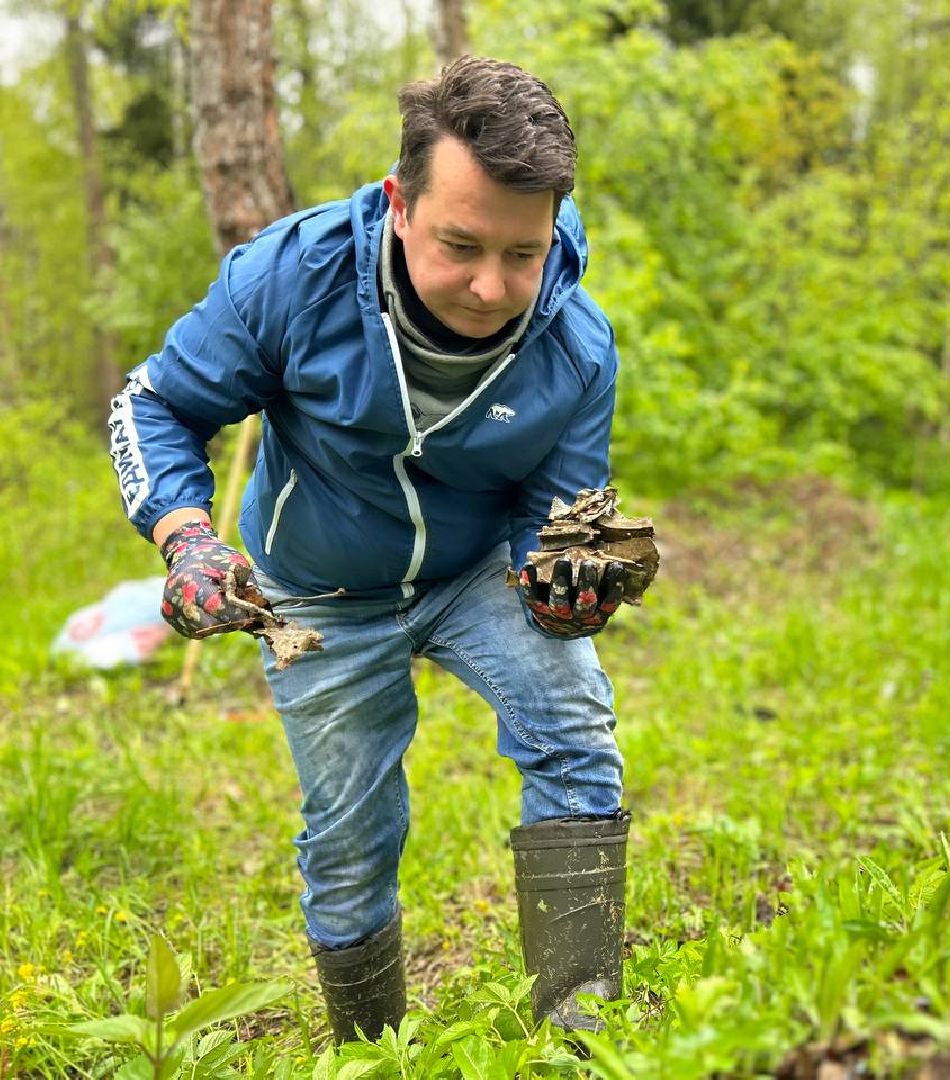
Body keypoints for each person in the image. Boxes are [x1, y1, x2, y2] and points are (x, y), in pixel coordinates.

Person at [107, 56, 645, 1042]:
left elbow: (560, 502)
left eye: (522, 254)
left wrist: (571, 576)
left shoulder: (577, 339)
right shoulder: (291, 278)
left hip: (477, 566)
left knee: (574, 721)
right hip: (316, 586)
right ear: (400, 203)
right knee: (352, 839)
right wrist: (186, 540)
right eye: (461, 243)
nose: (490, 286)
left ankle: (583, 1034)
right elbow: (154, 405)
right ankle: (371, 1051)